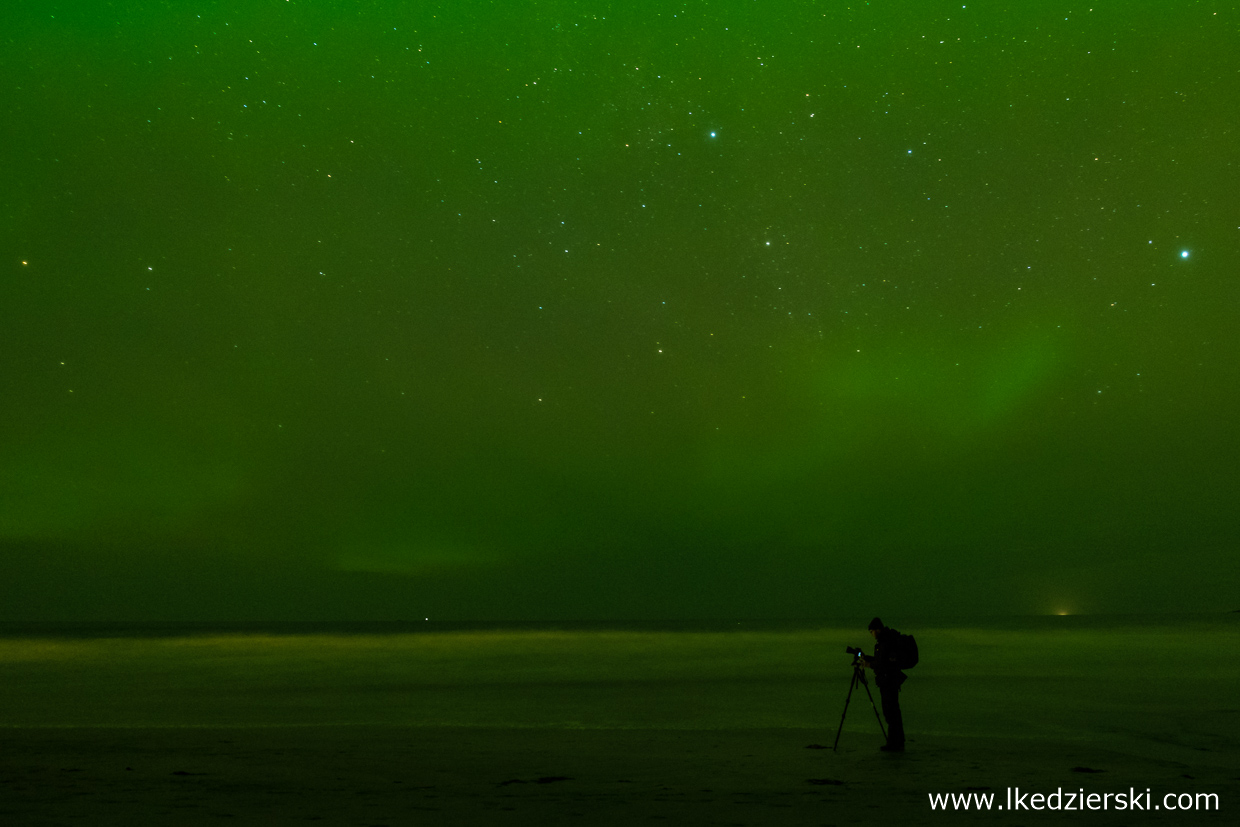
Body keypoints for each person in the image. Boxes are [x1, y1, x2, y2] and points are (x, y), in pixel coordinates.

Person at [860, 616, 906, 752]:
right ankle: (897, 742)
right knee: (893, 713)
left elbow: (883, 663)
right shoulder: (886, 641)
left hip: (888, 681)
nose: (871, 634)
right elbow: (881, 660)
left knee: (890, 713)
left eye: (872, 631)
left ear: (877, 630)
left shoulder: (885, 642)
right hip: (889, 680)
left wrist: (868, 664)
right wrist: (867, 658)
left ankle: (894, 744)